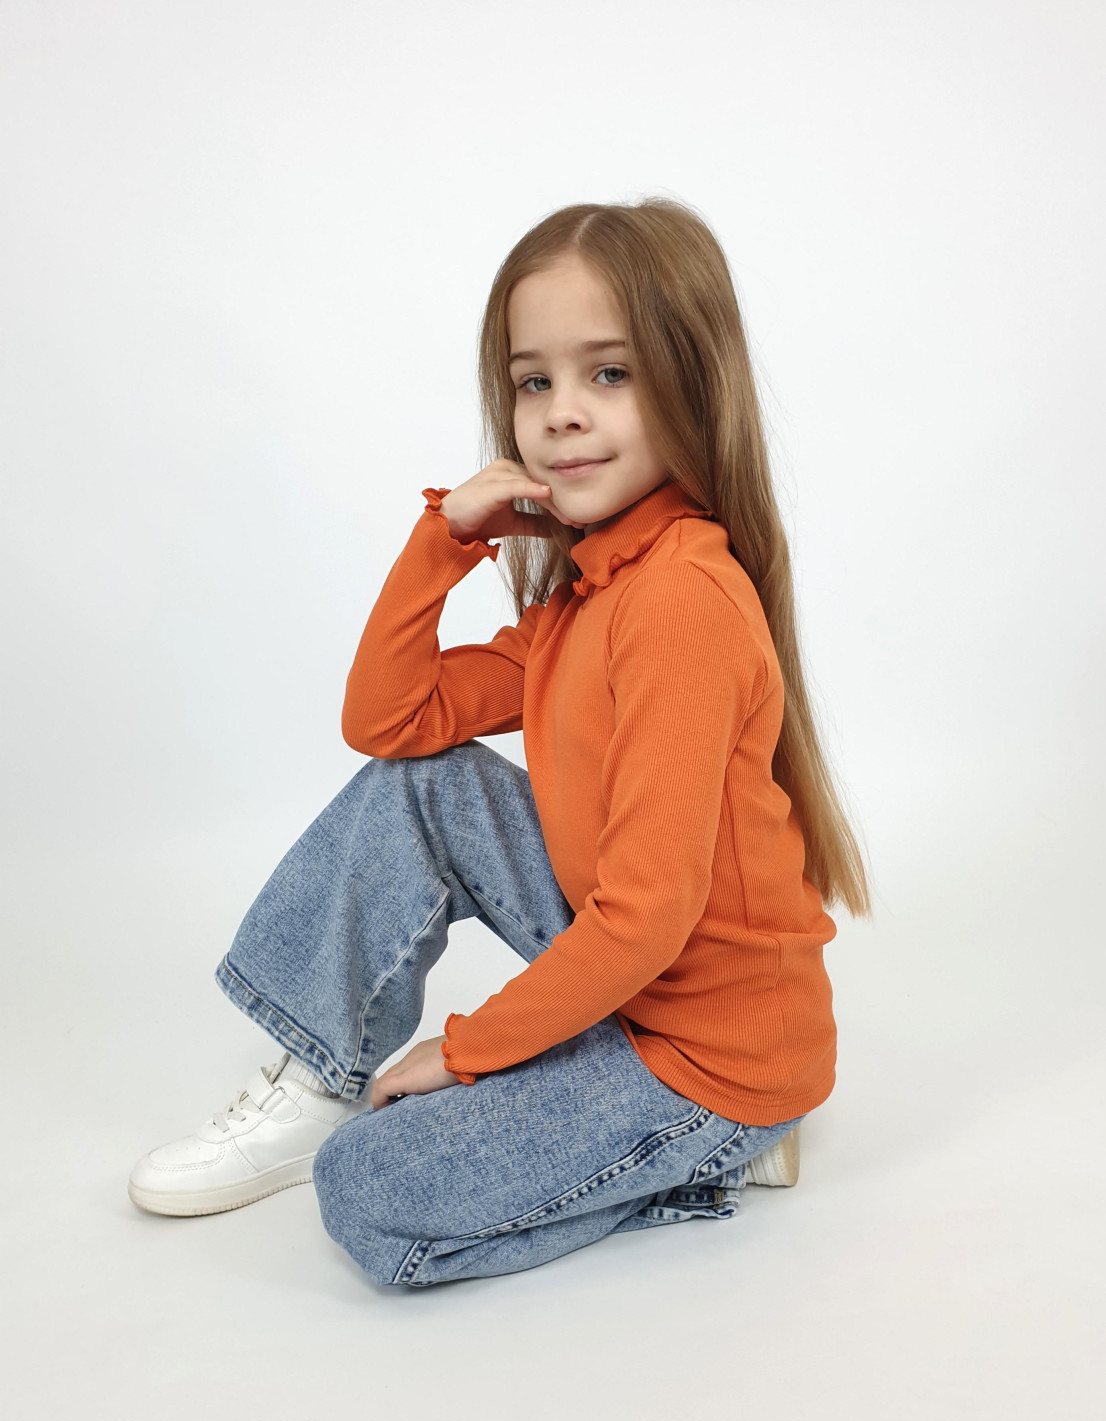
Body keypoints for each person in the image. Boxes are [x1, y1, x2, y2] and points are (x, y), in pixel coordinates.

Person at [128, 196, 871, 1288]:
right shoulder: (590, 595)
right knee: (421, 785)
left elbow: (647, 914)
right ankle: (317, 1077)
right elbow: (388, 724)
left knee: (367, 1187)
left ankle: (720, 1154)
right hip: (639, 985)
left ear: (690, 384)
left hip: (712, 1059)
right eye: (534, 382)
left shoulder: (679, 599)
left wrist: (470, 1050)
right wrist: (446, 540)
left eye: (608, 373)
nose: (562, 414)